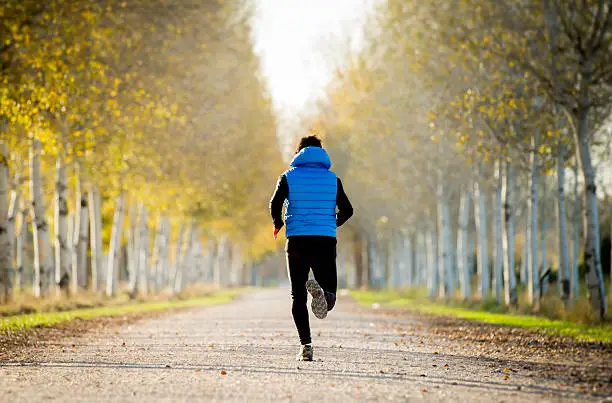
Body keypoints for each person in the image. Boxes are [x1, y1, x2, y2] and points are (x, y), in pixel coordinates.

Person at [269, 135, 353, 361]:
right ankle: (324, 293)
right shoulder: (333, 180)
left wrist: (278, 224)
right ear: (321, 153)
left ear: (298, 153)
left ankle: (306, 346)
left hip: (297, 239)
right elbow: (348, 210)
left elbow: (275, 203)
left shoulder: (288, 177)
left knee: (297, 296)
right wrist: (332, 223)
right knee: (330, 298)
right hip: (324, 240)